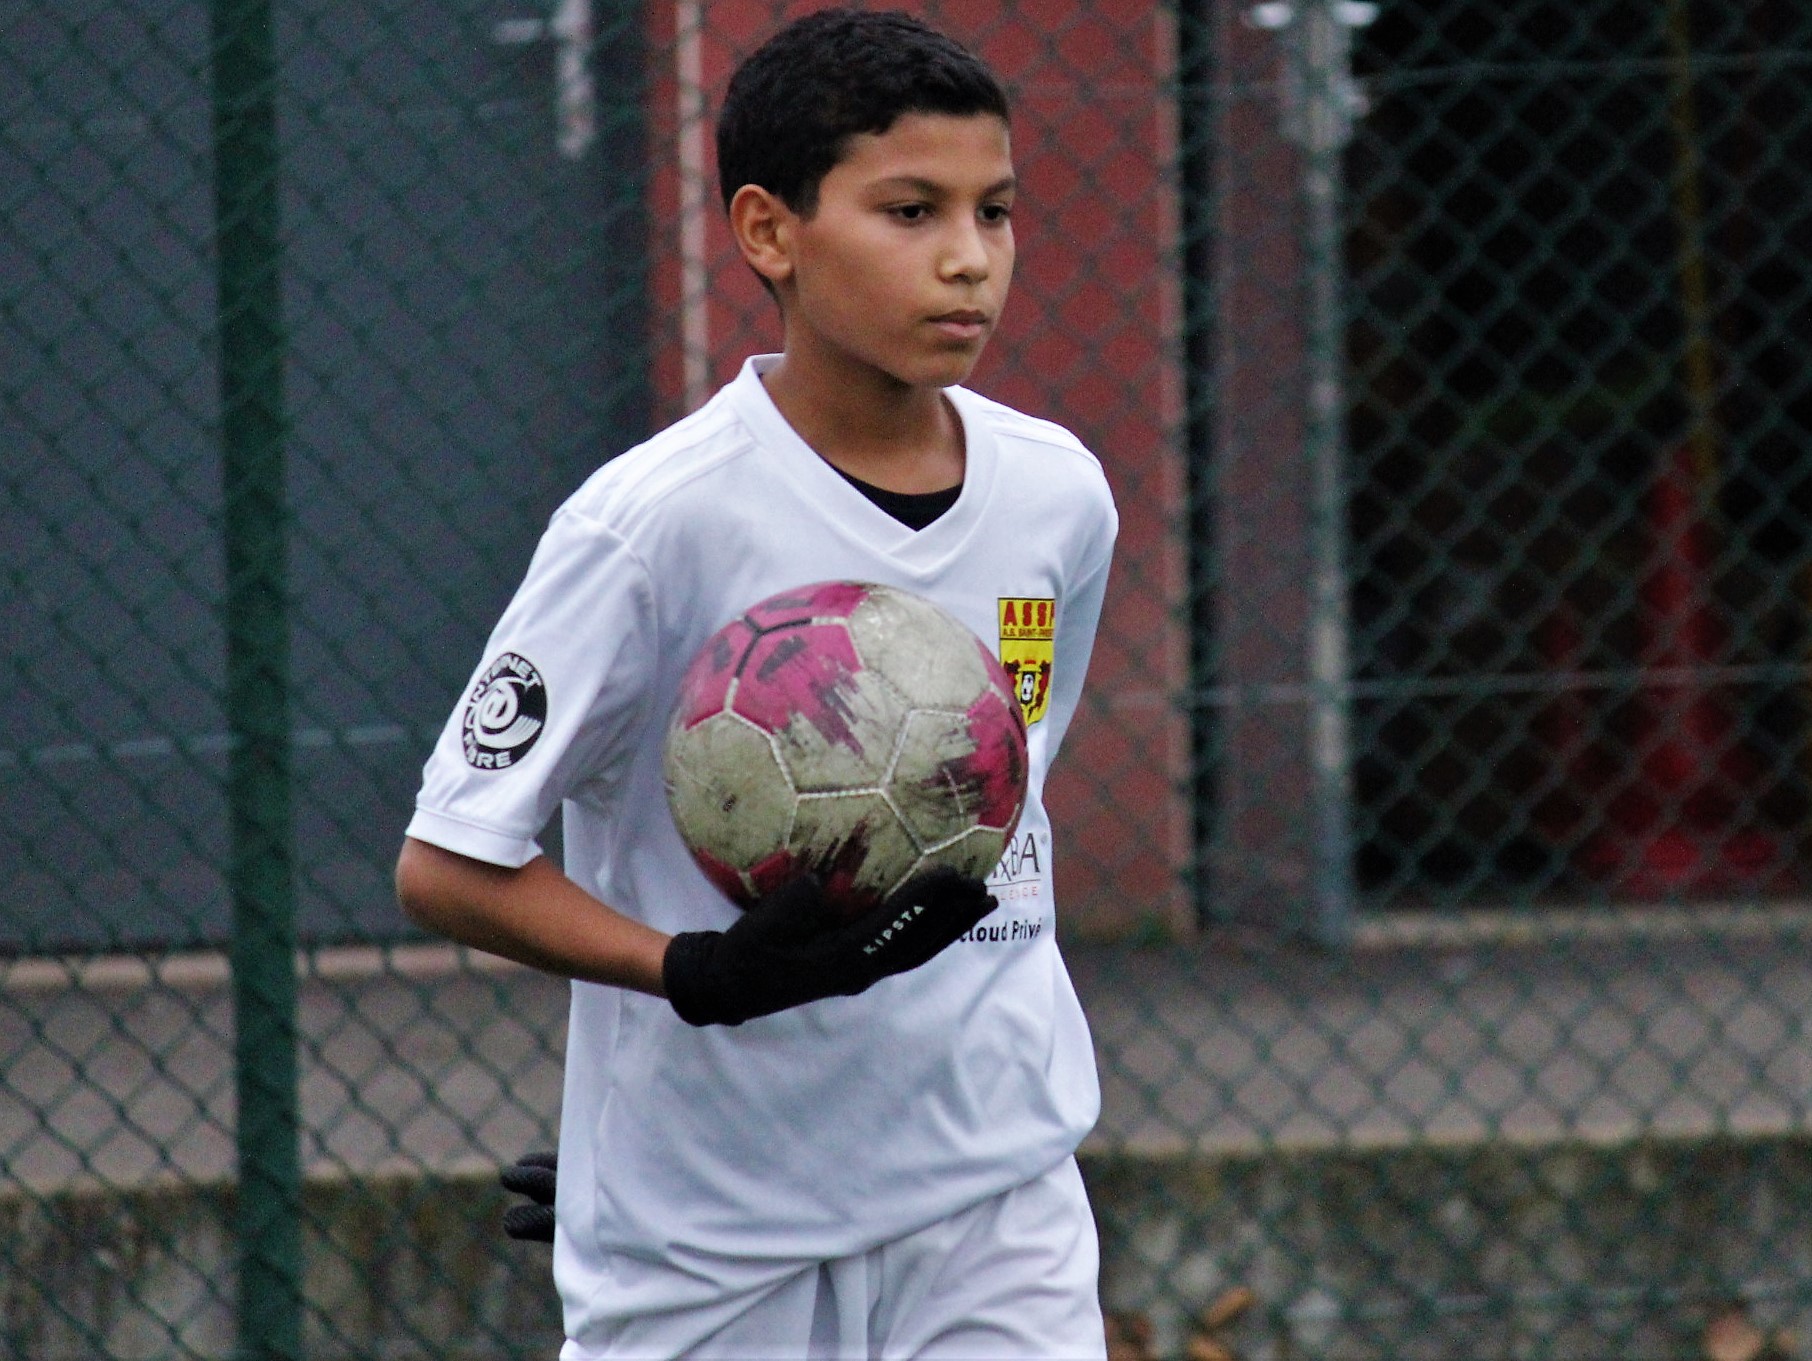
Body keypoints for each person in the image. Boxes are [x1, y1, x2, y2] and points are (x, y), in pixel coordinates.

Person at [395, 8, 1118, 1357]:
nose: (969, 258)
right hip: (710, 1225)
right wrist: (691, 971)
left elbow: (1003, 788)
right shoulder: (652, 526)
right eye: (910, 210)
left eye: (996, 210)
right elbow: (449, 860)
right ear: (769, 231)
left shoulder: (1058, 497)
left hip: (995, 1192)